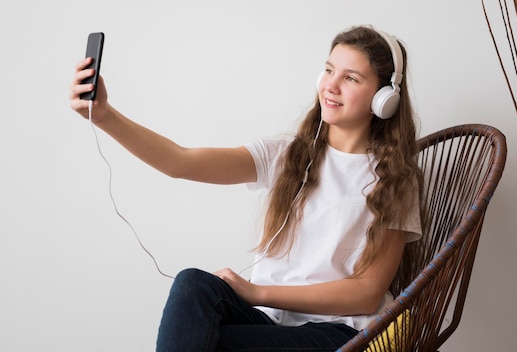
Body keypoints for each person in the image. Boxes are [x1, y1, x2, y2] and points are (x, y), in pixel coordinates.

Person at [69, 24, 423, 352]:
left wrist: (256, 292)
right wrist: (104, 116)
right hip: (270, 321)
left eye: (351, 77)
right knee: (193, 284)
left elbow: (366, 294)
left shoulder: (395, 180)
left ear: (384, 97)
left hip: (338, 332)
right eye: (329, 70)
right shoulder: (287, 155)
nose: (331, 85)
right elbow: (179, 161)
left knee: (205, 342)